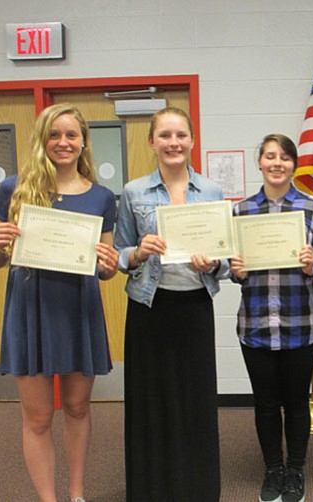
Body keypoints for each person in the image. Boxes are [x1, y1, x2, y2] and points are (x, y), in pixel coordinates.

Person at [0, 103, 119, 502]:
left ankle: (76, 493)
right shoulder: (14, 188)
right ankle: (48, 499)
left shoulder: (102, 197)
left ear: (83, 142)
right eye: (54, 134)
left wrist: (109, 265)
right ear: (42, 139)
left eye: (71, 135)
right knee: (38, 417)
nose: (63, 142)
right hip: (31, 309)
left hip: (79, 309)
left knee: (77, 409)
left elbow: (105, 267)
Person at [114, 106, 228, 502]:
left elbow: (228, 260)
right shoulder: (133, 192)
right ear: (152, 142)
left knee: (196, 401)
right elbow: (116, 256)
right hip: (150, 310)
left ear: (192, 141)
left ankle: (196, 490)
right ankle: (151, 491)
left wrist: (214, 262)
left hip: (195, 307)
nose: (173, 143)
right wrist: (137, 252)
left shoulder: (211, 192)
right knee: (151, 404)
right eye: (164, 135)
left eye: (181, 135)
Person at [230, 133, 313, 502]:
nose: (277, 163)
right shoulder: (240, 211)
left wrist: (311, 266)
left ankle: (296, 470)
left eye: (285, 157)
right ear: (260, 162)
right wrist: (236, 271)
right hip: (254, 324)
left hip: (300, 323)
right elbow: (231, 265)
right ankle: (273, 470)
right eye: (270, 156)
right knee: (266, 404)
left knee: (296, 401)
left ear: (294, 164)